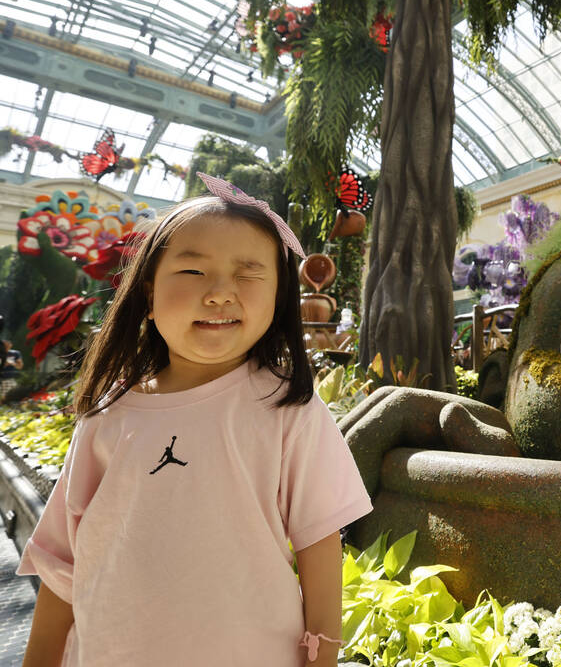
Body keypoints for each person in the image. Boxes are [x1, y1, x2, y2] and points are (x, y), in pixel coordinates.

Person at [18, 174, 373, 667]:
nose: (221, 293)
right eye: (192, 272)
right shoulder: (108, 414)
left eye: (249, 273)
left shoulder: (289, 412)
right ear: (148, 291)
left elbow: (319, 547)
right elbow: (63, 562)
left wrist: (322, 656)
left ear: (279, 295)